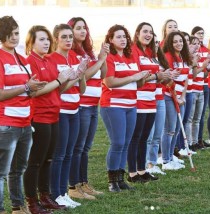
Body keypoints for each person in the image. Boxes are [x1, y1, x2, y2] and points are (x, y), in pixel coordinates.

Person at [0, 15, 46, 214]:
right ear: (0, 35)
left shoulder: (20, 58)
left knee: (18, 170)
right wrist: (26, 86)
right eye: (9, 34)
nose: (14, 37)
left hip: (24, 123)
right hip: (4, 124)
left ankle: (18, 208)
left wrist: (34, 87)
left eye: (17, 33)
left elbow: (27, 89)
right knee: (0, 172)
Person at [23, 25, 69, 213]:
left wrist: (71, 78)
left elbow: (56, 88)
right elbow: (35, 92)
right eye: (41, 39)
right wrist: (58, 81)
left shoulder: (49, 60)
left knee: (48, 159)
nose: (46, 42)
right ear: (31, 43)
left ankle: (45, 196)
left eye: (47, 39)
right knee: (35, 161)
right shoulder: (30, 61)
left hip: (54, 115)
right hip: (39, 116)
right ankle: (32, 202)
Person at [100, 24, 149, 192]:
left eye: (125, 37)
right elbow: (109, 82)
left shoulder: (131, 56)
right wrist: (133, 77)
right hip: (113, 105)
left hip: (131, 105)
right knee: (118, 142)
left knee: (126, 143)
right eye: (118, 36)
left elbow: (138, 83)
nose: (123, 39)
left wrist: (143, 77)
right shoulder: (109, 57)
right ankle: (112, 180)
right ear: (110, 39)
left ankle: (121, 179)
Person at [67, 17, 108, 200]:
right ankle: (74, 186)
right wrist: (98, 62)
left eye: (84, 28)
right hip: (82, 104)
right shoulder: (71, 53)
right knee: (78, 147)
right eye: (78, 28)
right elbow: (84, 74)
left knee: (86, 147)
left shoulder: (88, 52)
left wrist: (102, 58)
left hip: (93, 105)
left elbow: (103, 75)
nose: (82, 31)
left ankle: (83, 183)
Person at [48, 24, 89, 207]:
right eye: (64, 37)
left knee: (70, 153)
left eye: (70, 37)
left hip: (75, 110)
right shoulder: (52, 59)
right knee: (60, 154)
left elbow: (82, 89)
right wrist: (74, 75)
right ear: (56, 39)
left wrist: (82, 75)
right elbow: (59, 88)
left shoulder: (73, 56)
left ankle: (64, 193)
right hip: (61, 111)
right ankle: (55, 194)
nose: (68, 40)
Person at [127, 22, 171, 182]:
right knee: (135, 137)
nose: (148, 35)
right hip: (138, 100)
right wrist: (157, 77)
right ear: (137, 33)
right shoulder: (133, 51)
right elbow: (138, 76)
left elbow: (155, 76)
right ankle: (132, 173)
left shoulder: (151, 53)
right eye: (145, 31)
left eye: (150, 32)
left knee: (144, 137)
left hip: (151, 100)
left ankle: (142, 170)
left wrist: (165, 76)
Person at [161, 31, 191, 170]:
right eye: (175, 42)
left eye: (180, 41)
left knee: (177, 129)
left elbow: (186, 80)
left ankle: (172, 156)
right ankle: (165, 160)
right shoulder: (168, 57)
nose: (179, 43)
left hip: (180, 97)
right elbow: (168, 81)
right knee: (169, 129)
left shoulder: (184, 57)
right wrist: (175, 97)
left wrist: (182, 96)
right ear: (169, 43)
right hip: (168, 96)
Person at [146, 33, 171, 175]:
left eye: (157, 42)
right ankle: (144, 165)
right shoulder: (145, 59)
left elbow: (163, 82)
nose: (155, 45)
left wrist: (168, 77)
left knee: (157, 133)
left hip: (159, 98)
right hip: (148, 99)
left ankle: (153, 162)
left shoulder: (160, 60)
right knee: (148, 135)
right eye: (152, 42)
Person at [191, 26, 210, 148]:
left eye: (202, 34)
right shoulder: (191, 53)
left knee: (200, 116)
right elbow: (193, 73)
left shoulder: (205, 49)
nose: (201, 36)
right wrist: (204, 66)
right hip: (194, 87)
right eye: (199, 34)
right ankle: (189, 143)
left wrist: (207, 67)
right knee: (190, 118)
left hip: (203, 84)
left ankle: (198, 140)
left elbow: (203, 72)